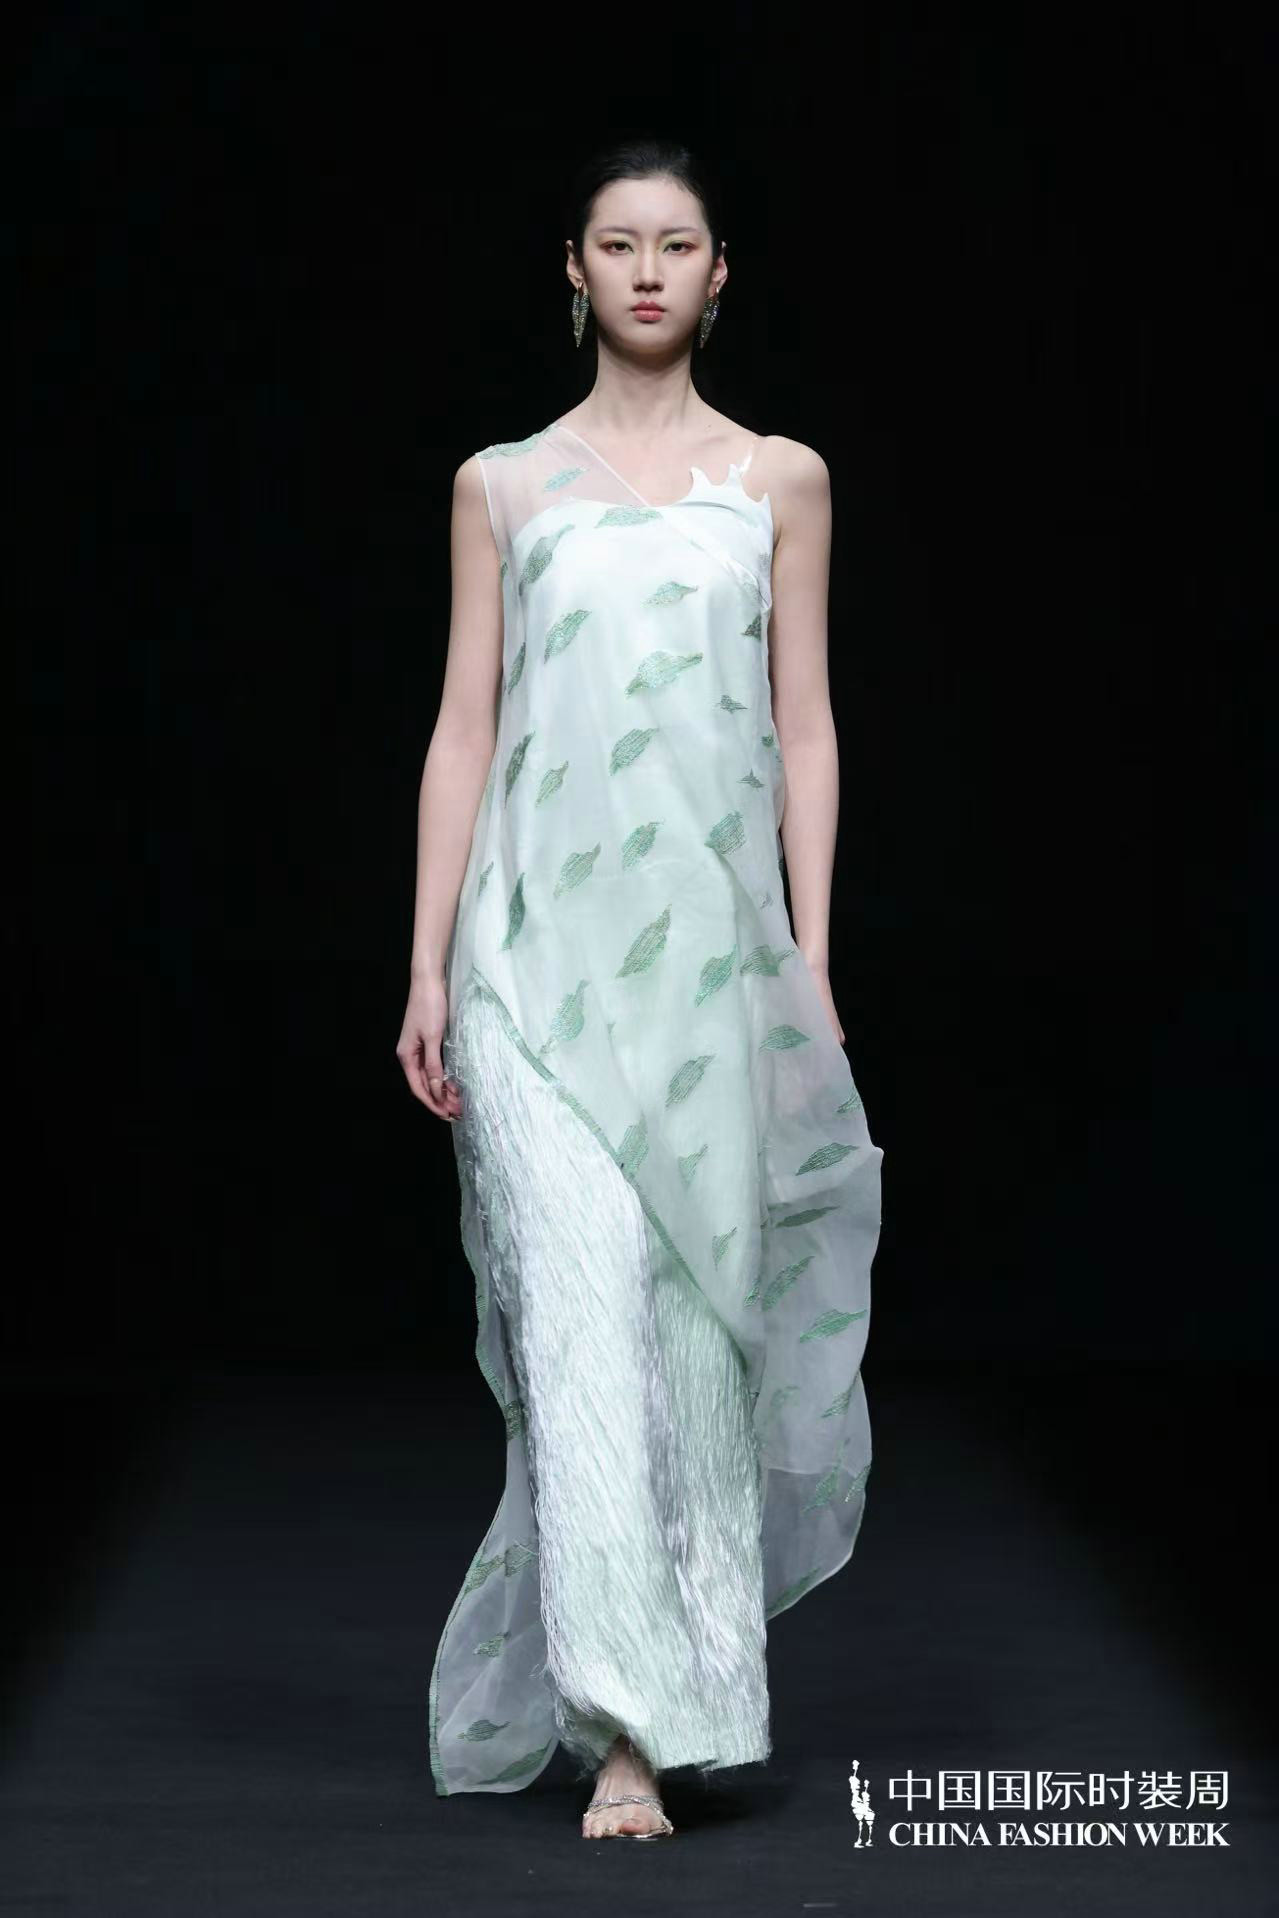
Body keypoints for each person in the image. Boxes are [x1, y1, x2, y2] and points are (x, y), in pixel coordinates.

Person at [396, 134, 884, 1842]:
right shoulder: (503, 485)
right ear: (576, 268)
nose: (650, 270)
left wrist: (810, 955)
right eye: (620, 243)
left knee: (695, 1326)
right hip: (531, 958)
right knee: (579, 1324)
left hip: (709, 970)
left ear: (720, 271)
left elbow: (807, 725)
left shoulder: (779, 480)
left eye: (679, 244)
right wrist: (426, 959)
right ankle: (618, 1728)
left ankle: (693, 1700)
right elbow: (464, 725)